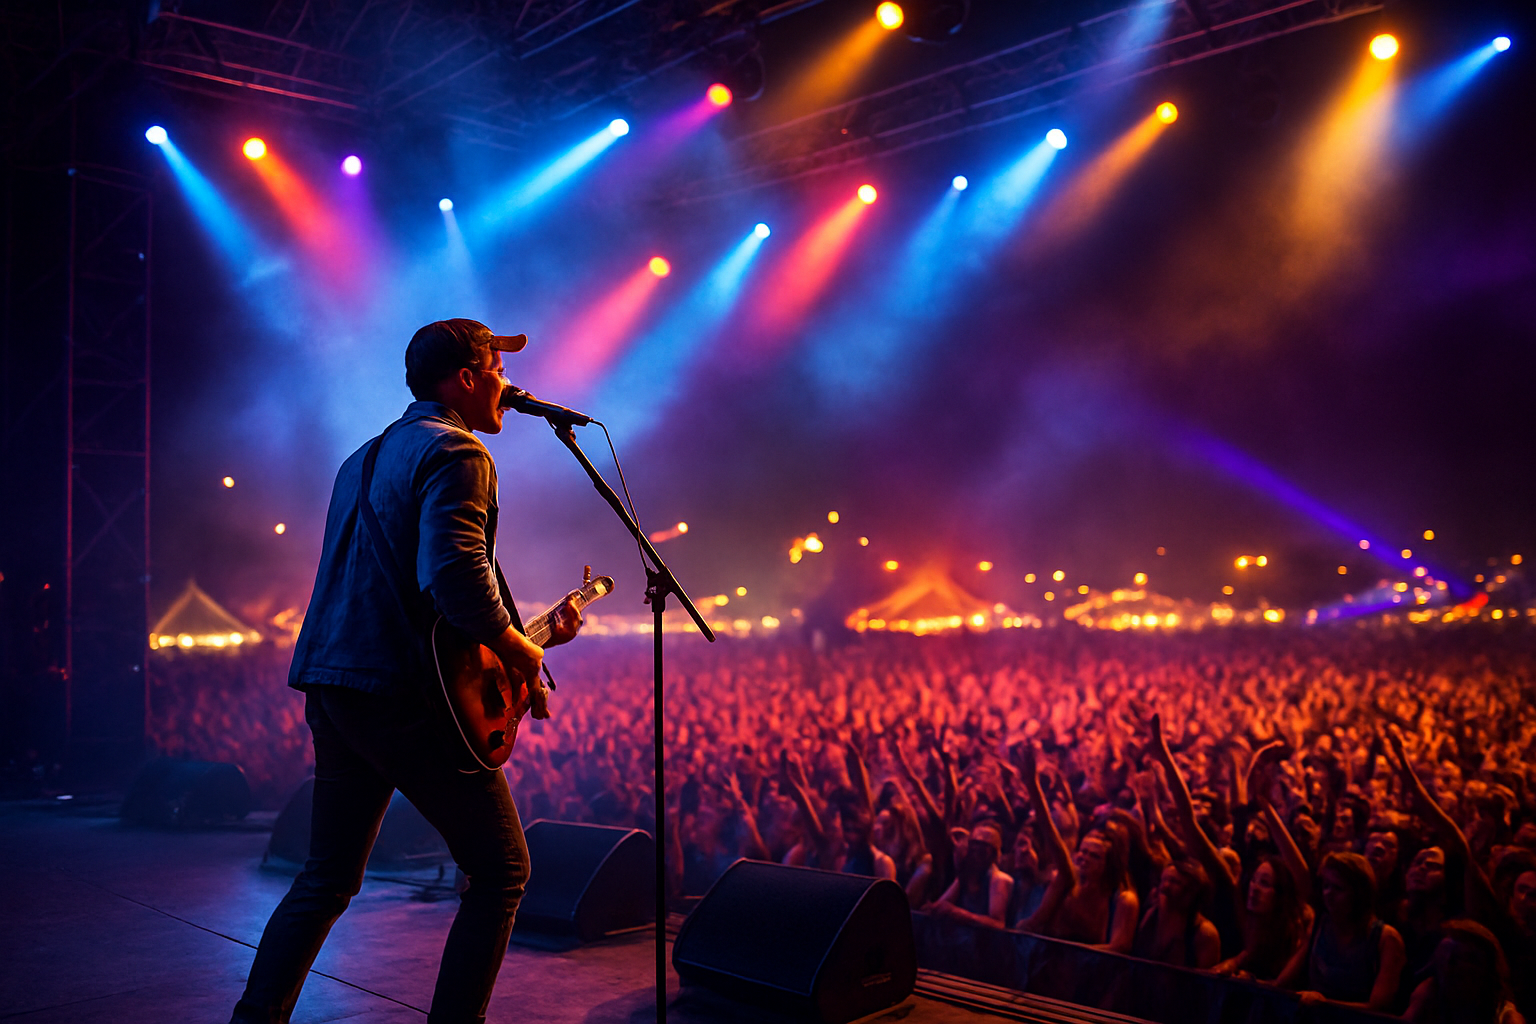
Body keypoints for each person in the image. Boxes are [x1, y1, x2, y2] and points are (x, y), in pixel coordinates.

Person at [231, 319, 585, 1024]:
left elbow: (393, 587)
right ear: (464, 379)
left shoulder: (360, 460)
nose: (508, 385)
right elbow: (452, 575)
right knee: (502, 871)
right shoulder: (460, 450)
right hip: (402, 696)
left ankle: (255, 1018)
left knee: (326, 876)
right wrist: (520, 650)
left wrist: (522, 634)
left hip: (337, 688)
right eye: (495, 370)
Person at [1281, 851, 1406, 1012]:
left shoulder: (1386, 939)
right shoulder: (1320, 924)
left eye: (1338, 888)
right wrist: (1253, 981)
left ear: (1359, 893)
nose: (1328, 893)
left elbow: (1378, 1008)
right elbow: (1284, 980)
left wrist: (1325, 1004)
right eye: (1326, 886)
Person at [1132, 860, 1221, 969]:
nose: (1165, 886)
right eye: (1163, 880)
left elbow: (1204, 983)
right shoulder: (1151, 916)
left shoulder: (1204, 933)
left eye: (1174, 882)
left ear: (1192, 891)